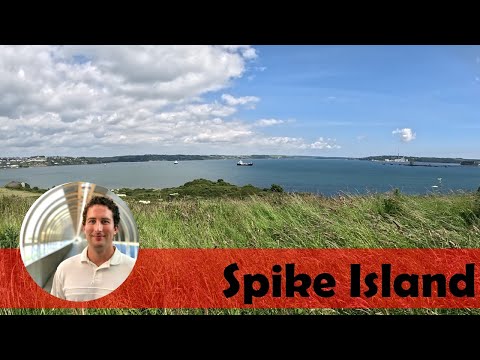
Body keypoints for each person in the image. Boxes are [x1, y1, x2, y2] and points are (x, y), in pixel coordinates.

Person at [50, 195, 136, 301]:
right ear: (84, 228)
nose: (98, 228)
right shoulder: (64, 269)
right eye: (92, 221)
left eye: (105, 221)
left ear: (115, 228)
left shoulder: (134, 270)